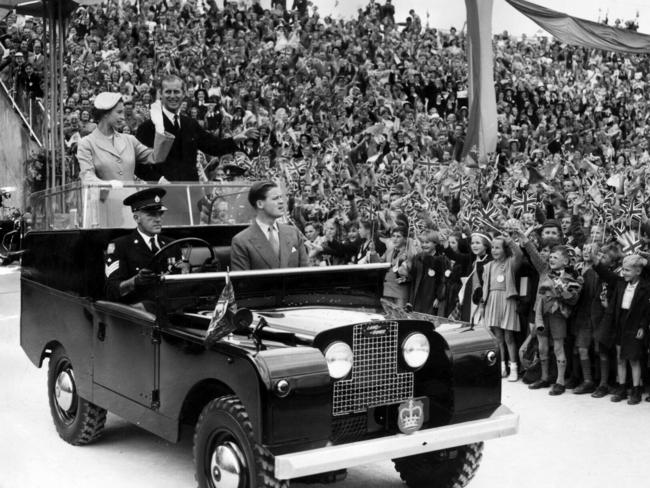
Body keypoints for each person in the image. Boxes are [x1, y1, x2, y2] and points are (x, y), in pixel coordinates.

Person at [135, 75, 258, 182]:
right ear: (160, 94)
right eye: (168, 92)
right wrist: (159, 181)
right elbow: (139, 166)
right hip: (160, 196)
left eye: (176, 92)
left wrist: (237, 138)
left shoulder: (190, 124)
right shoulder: (148, 127)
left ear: (183, 94)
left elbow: (213, 146)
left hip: (190, 193)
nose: (173, 96)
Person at [105, 188, 187, 307]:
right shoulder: (120, 246)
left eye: (160, 214)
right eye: (151, 215)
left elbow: (181, 283)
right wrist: (135, 281)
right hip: (140, 313)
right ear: (137, 218)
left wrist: (199, 270)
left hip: (172, 308)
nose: (158, 219)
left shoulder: (172, 245)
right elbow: (111, 290)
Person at [76, 92, 170, 185]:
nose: (122, 117)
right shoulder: (86, 143)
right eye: (119, 112)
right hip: (104, 199)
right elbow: (87, 177)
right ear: (105, 113)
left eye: (123, 113)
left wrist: (160, 129)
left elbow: (156, 157)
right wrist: (107, 185)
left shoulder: (130, 140)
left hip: (130, 199)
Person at [598, 254, 650, 405]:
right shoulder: (621, 284)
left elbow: (647, 310)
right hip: (621, 322)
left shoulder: (645, 287)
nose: (624, 273)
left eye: (627, 270)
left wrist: (642, 327)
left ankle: (636, 389)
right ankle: (621, 387)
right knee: (620, 357)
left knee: (633, 358)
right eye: (623, 270)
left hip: (634, 324)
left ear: (638, 272)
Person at [230, 181, 308, 270]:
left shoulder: (294, 233)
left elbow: (305, 273)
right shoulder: (241, 241)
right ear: (260, 204)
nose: (281, 202)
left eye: (281, 197)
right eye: (275, 198)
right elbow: (242, 281)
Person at [478, 236, 523, 381]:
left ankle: (514, 367)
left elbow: (519, 254)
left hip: (507, 300)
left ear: (505, 249)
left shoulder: (511, 263)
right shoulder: (488, 266)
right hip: (492, 300)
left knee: (509, 336)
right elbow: (486, 287)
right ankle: (501, 366)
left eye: (498, 247)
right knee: (498, 337)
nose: (494, 250)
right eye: (492, 247)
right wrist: (483, 304)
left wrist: (510, 239)